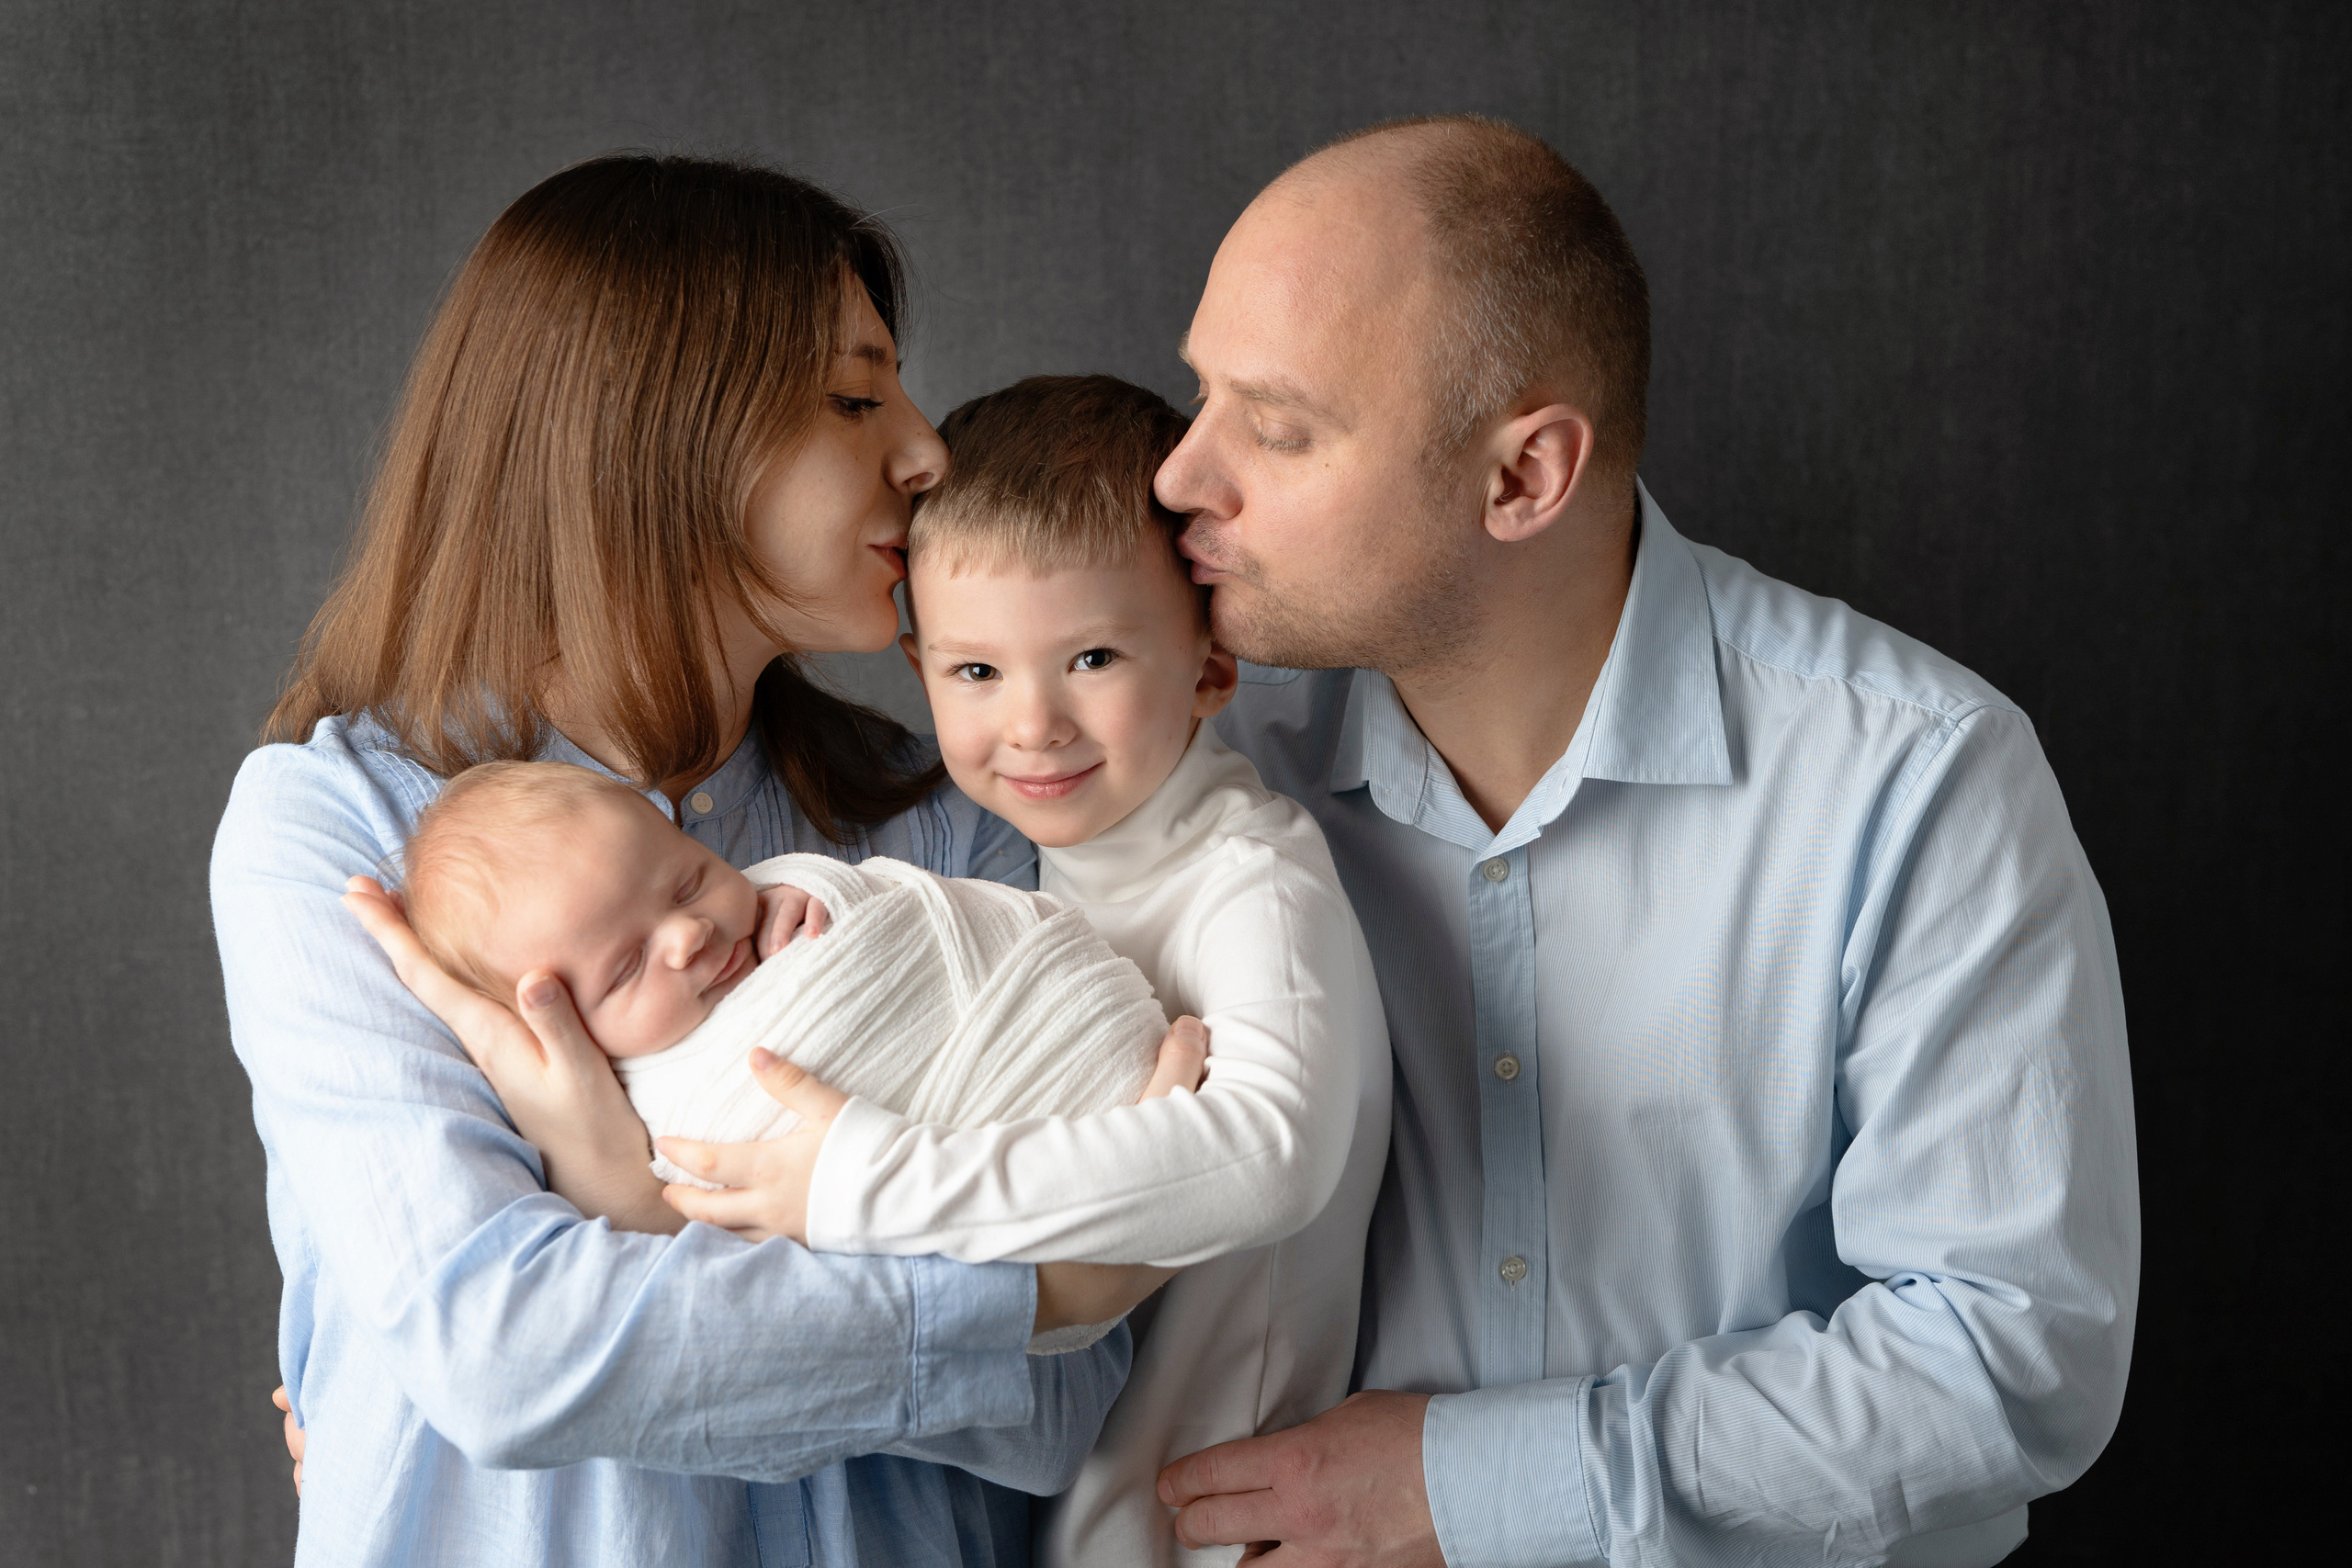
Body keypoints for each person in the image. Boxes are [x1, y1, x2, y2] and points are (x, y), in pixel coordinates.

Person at [1150, 116, 2139, 1567]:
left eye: (1278, 429)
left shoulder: (1919, 780)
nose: (1181, 476)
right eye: (1200, 395)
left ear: (1524, 477)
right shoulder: (1191, 770)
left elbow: (2009, 1359)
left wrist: (1463, 1486)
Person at [215, 153, 1166, 1567]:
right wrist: (1010, 1295)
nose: (928, 453)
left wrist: (621, 1210)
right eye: (857, 400)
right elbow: (508, 1351)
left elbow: (1063, 1410)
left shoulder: (947, 833)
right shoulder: (345, 833)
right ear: (656, 433)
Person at [639, 374, 1395, 1567]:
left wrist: (866, 1181)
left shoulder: (1250, 876)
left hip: (1208, 1527)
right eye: (976, 673)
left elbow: (1269, 1153)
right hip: (1039, 1513)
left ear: (1210, 666)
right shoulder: (1000, 880)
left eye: (1091, 656)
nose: (1034, 723)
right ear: (919, 667)